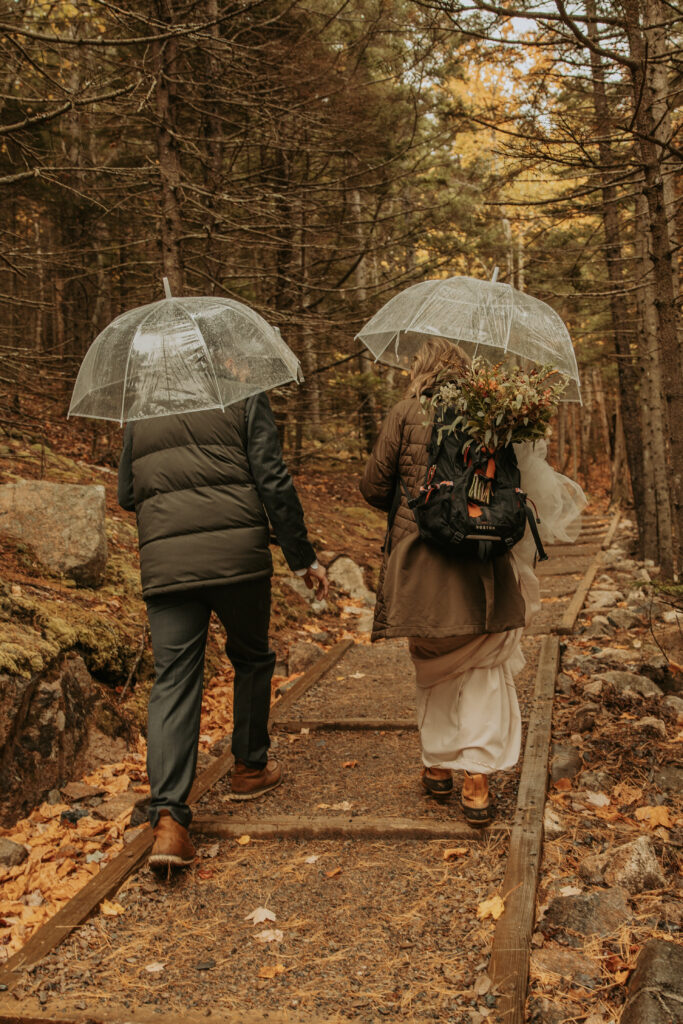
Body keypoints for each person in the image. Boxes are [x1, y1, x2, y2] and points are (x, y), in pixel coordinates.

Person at [359, 339, 584, 826]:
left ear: (421, 371)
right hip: (484, 567)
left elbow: (373, 486)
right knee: (483, 668)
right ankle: (477, 783)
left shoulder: (405, 412)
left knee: (432, 660)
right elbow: (519, 486)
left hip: (419, 563)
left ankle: (438, 766)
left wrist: (414, 502)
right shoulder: (496, 416)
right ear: (468, 373)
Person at [118, 393, 328, 868]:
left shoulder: (142, 408)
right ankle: (250, 767)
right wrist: (301, 557)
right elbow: (272, 479)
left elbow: (127, 494)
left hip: (167, 565)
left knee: (173, 679)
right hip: (238, 560)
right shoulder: (242, 396)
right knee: (252, 656)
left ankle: (169, 820)